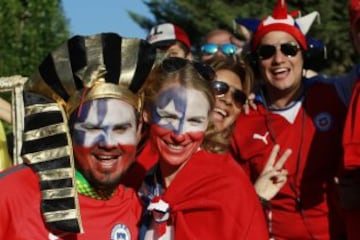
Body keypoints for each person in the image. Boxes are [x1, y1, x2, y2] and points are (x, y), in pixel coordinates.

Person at [0, 33, 156, 239]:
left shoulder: (141, 210)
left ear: (138, 132)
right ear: (68, 132)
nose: (108, 143)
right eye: (92, 128)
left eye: (120, 129)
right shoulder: (10, 192)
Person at [231, 0, 347, 239]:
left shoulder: (335, 95)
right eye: (266, 52)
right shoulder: (242, 118)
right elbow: (232, 202)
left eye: (289, 49)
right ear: (257, 62)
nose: (278, 59)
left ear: (304, 55)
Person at [137, 56, 269, 239]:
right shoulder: (139, 184)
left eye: (194, 121)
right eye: (169, 117)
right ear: (147, 113)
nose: (179, 134)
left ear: (207, 122)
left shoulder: (230, 186)